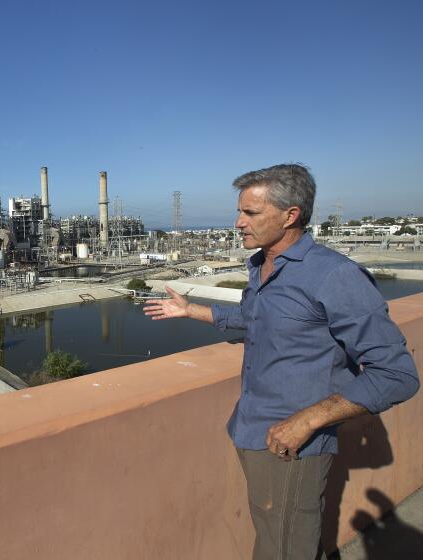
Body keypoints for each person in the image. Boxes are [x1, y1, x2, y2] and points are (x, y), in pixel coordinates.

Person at [143, 163, 418, 560]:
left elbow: (396, 375)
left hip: (294, 445)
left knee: (287, 547)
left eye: (251, 213)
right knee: (272, 534)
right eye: (240, 211)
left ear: (291, 215)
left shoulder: (334, 275)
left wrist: (307, 420)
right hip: (252, 428)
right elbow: (258, 319)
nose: (238, 222)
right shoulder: (261, 266)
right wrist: (193, 312)